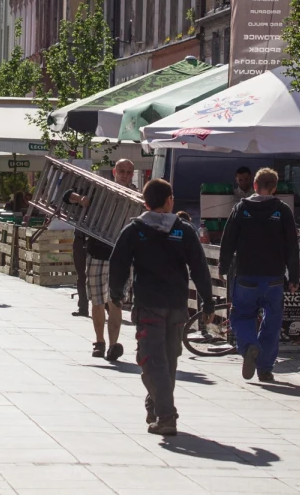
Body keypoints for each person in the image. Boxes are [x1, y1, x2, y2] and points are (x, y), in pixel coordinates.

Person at [109, 178, 213, 436]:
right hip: (177, 305)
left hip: (149, 306)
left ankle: (166, 416)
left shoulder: (134, 230)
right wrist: (208, 301)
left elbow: (117, 263)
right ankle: (155, 405)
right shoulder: (185, 230)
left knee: (151, 360)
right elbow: (200, 268)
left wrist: (115, 294)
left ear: (145, 203)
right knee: (168, 360)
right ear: (169, 201)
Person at [218, 167, 299, 383]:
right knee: (272, 321)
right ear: (274, 188)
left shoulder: (240, 208)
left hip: (246, 275)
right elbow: (292, 246)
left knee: (242, 316)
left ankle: (249, 345)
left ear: (254, 185)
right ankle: (265, 368)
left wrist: (223, 267)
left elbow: (228, 241)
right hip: (274, 277)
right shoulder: (283, 211)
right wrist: (294, 277)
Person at [63, 159, 137, 347]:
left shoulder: (137, 196)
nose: (125, 175)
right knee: (97, 301)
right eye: (122, 171)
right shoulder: (100, 189)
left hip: (122, 257)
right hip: (97, 252)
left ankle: (113, 345)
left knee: (115, 302)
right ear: (114, 171)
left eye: (129, 172)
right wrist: (80, 199)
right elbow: (66, 195)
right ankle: (100, 341)